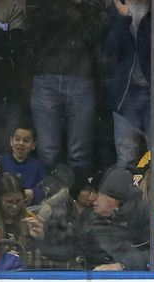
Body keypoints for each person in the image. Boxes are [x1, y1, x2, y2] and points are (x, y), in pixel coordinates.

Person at [102, 0, 154, 169]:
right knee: (125, 158)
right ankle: (125, 194)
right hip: (125, 95)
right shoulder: (115, 10)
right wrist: (122, 19)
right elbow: (109, 52)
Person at [26, 0, 103, 171]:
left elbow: (97, 32)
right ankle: (49, 195)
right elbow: (35, 27)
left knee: (80, 153)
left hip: (80, 75)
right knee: (47, 152)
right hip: (47, 75)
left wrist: (83, 6)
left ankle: (78, 195)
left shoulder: (89, 5)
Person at [76, 167, 151, 271]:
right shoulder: (88, 219)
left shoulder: (142, 215)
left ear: (116, 200)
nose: (94, 199)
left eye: (99, 194)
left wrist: (124, 265)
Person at [0, 123, 47, 205]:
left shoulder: (37, 166)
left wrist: (33, 193)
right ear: (11, 141)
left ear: (33, 145)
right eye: (17, 139)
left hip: (27, 209)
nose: (21, 143)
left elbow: (44, 188)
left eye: (26, 141)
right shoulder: (0, 162)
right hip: (2, 208)